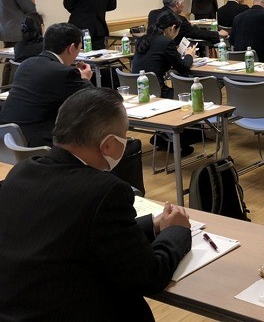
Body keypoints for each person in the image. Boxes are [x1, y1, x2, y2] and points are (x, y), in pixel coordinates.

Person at [0, 87, 192, 321]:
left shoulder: (22, 171)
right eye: (126, 137)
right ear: (109, 145)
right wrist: (177, 230)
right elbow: (148, 276)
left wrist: (152, 225)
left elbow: (78, 234)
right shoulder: (105, 191)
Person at [0, 23, 93, 146]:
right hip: (36, 143)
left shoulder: (26, 64)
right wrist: (85, 78)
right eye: (79, 47)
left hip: (5, 139)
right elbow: (92, 99)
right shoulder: (64, 72)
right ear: (71, 48)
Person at [132, 10, 196, 98]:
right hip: (158, 93)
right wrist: (189, 54)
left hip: (138, 91)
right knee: (192, 92)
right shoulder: (166, 42)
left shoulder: (142, 39)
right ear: (172, 28)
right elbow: (183, 68)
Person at [148, 0, 226, 45]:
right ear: (177, 4)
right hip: (171, 51)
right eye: (183, 3)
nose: (183, 5)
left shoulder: (152, 14)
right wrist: (218, 33)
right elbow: (196, 33)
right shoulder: (178, 19)